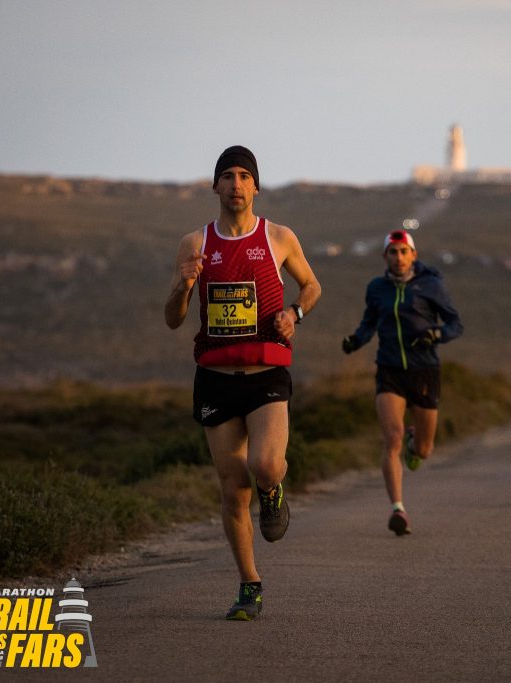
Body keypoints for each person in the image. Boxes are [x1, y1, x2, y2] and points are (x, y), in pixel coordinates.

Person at [164, 145, 321, 621]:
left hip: (266, 373)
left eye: (244, 176)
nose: (235, 184)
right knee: (233, 488)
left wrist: (294, 314)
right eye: (227, 176)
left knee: (266, 464)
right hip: (214, 377)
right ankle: (249, 585)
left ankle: (274, 492)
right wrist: (183, 287)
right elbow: (173, 319)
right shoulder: (195, 243)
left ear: (256, 186)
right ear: (215, 186)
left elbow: (312, 286)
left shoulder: (278, 236)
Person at [341, 230, 463, 536]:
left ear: (413, 255)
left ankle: (414, 442)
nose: (398, 258)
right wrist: (357, 340)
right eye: (392, 252)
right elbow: (370, 322)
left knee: (423, 450)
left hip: (424, 371)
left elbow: (455, 324)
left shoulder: (431, 286)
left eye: (403, 252)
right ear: (385, 257)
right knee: (392, 438)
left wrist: (437, 334)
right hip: (390, 369)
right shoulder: (377, 288)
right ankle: (398, 508)